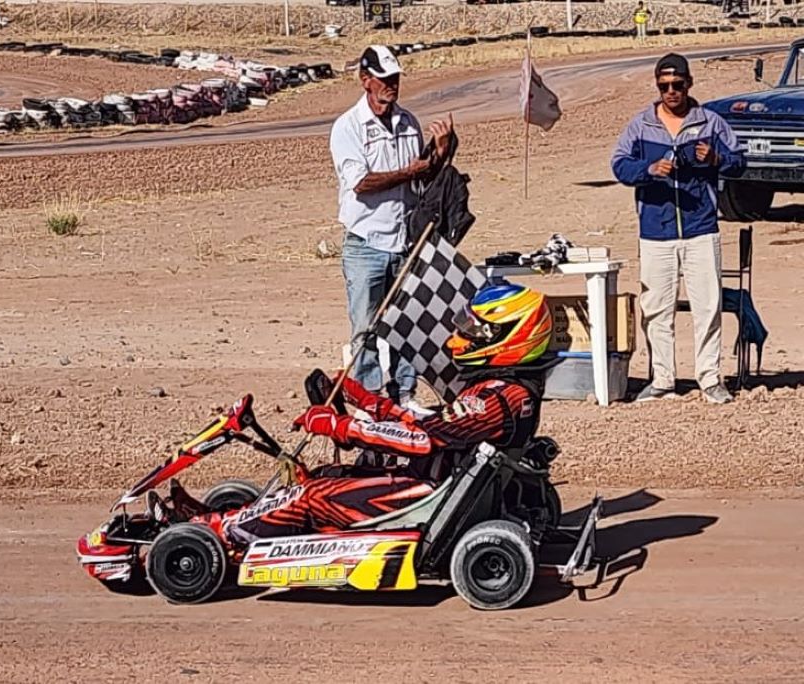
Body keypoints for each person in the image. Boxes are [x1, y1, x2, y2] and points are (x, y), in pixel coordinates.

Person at [187, 281, 554, 545]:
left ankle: (207, 532)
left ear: (508, 337)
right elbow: (431, 426)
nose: (459, 340)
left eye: (474, 332)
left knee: (310, 496)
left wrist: (342, 426)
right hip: (436, 481)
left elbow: (421, 439)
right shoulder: (506, 391)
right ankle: (234, 518)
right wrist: (366, 400)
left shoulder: (494, 399)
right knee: (327, 474)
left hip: (425, 496)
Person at [610, 53, 746, 404]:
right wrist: (649, 169)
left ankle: (711, 379)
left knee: (708, 306)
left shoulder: (711, 123)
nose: (671, 91)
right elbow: (619, 165)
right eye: (664, 86)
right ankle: (662, 379)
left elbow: (740, 161)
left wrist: (716, 159)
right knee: (656, 308)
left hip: (701, 229)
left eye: (678, 85)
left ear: (689, 84)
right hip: (656, 232)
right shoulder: (641, 126)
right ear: (657, 86)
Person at [330, 45, 454, 411]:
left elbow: (421, 177)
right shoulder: (348, 127)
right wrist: (412, 171)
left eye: (395, 79)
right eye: (384, 79)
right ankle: (371, 402)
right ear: (365, 80)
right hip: (366, 242)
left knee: (407, 322)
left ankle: (404, 394)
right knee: (365, 329)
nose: (391, 86)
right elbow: (362, 183)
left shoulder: (408, 123)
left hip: (404, 241)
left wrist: (441, 152)